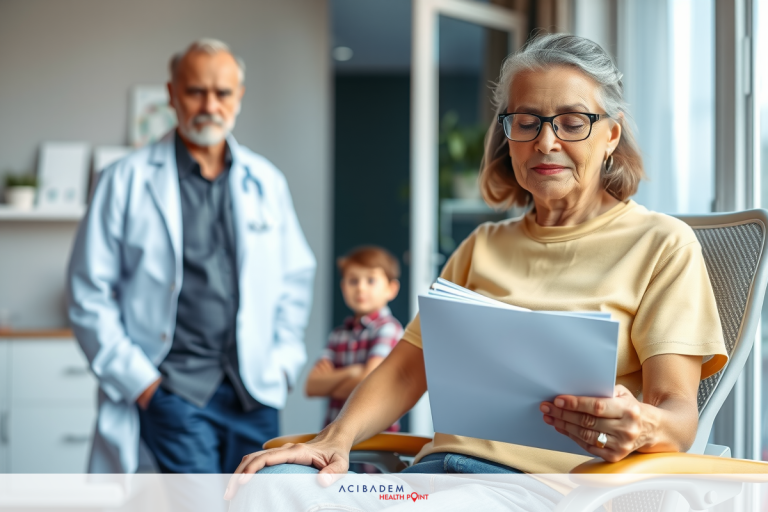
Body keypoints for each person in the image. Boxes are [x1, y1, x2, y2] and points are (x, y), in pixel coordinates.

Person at [225, 33, 729, 508]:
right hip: (433, 479)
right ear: (508, 136)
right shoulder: (481, 246)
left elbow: (678, 413)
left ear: (611, 134)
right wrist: (333, 441)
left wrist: (640, 425)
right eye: (526, 122)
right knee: (270, 488)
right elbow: (407, 366)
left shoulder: (661, 244)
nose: (546, 143)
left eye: (572, 122)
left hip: (544, 493)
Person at [67, 38, 316, 474]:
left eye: (222, 93)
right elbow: (89, 291)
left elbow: (296, 276)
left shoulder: (265, 180)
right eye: (195, 91)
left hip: (254, 394)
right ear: (171, 94)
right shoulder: (124, 180)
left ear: (239, 97)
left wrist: (282, 365)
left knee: (255, 505)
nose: (209, 104)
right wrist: (143, 385)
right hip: (172, 392)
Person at [305, 246, 403, 433]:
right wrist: (352, 373)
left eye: (371, 280)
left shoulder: (389, 329)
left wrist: (331, 384)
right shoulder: (338, 334)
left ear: (391, 289)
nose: (360, 287)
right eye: (353, 280)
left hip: (376, 437)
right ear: (343, 287)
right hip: (333, 435)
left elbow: (370, 384)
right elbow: (311, 386)